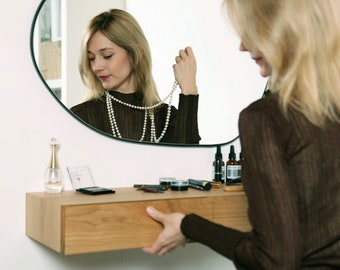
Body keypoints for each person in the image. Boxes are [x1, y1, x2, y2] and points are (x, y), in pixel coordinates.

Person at [143, 0, 340, 268]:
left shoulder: (266, 118)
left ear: (280, 28)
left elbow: (274, 260)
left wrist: (189, 225)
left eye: (250, 31)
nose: (242, 46)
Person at [71, 9, 200, 144]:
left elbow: (189, 160)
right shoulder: (80, 118)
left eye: (107, 56)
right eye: (91, 58)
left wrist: (189, 89)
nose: (96, 67)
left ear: (136, 52)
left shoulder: (165, 118)